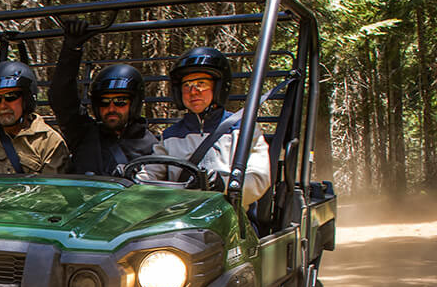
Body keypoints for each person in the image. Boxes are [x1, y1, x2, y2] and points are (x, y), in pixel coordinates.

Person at [149, 46, 271, 206]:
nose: (193, 92)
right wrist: (130, 180)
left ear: (218, 87)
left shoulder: (243, 130)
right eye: (187, 85)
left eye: (201, 84)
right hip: (180, 218)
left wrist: (224, 184)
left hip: (229, 216)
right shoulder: (171, 135)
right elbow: (150, 174)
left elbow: (259, 179)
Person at [48, 18, 157, 175]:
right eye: (104, 102)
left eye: (120, 102)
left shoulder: (151, 146)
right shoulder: (84, 134)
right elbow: (61, 99)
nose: (111, 108)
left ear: (134, 104)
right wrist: (72, 49)